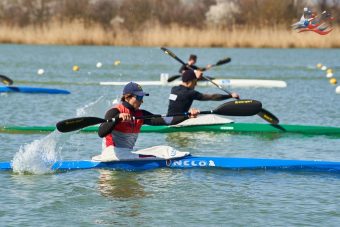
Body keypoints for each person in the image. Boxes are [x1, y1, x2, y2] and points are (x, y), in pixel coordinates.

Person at [92, 82, 197, 162]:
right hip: (111, 154)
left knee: (163, 149)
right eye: (138, 97)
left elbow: (167, 120)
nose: (141, 101)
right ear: (127, 97)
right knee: (155, 156)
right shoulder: (114, 111)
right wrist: (118, 118)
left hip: (126, 154)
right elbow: (101, 132)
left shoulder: (141, 114)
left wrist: (188, 115)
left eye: (142, 97)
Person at [167, 69, 239, 122]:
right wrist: (230, 96)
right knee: (211, 118)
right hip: (179, 121)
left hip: (169, 119)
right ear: (190, 81)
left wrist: (195, 76)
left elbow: (178, 104)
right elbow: (213, 97)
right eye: (195, 82)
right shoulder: (191, 93)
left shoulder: (174, 89)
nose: (196, 84)